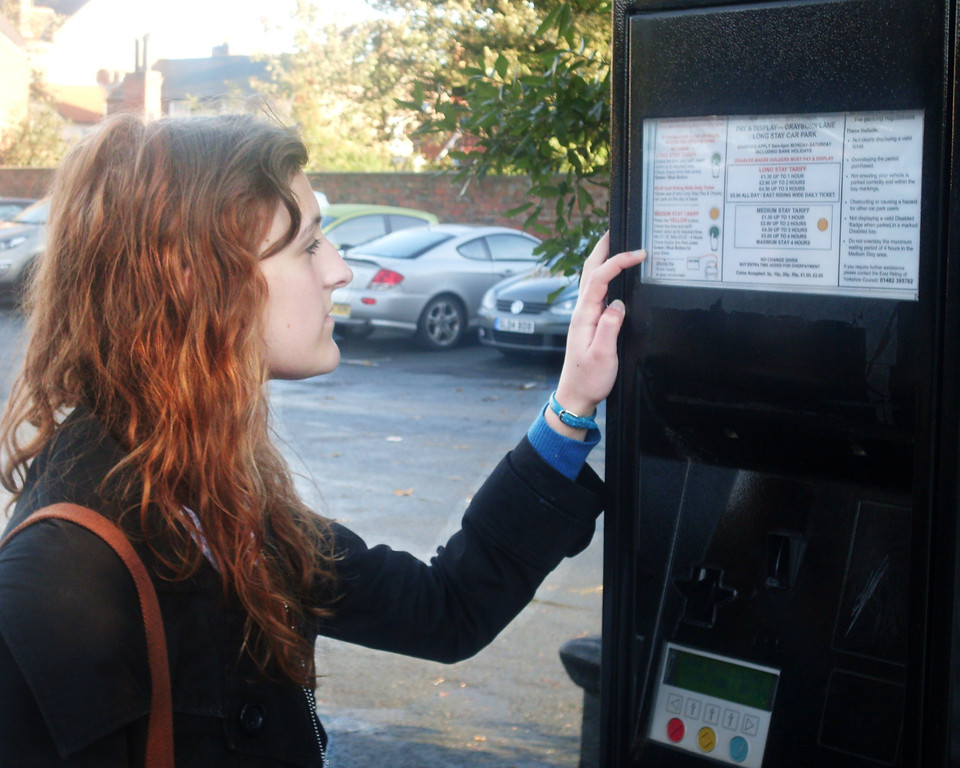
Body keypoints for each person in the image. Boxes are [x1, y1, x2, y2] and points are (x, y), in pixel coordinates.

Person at [0, 112, 645, 767]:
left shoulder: (214, 494)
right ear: (191, 274)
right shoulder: (60, 581)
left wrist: (571, 403)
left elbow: (444, 609)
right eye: (309, 245)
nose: (339, 270)